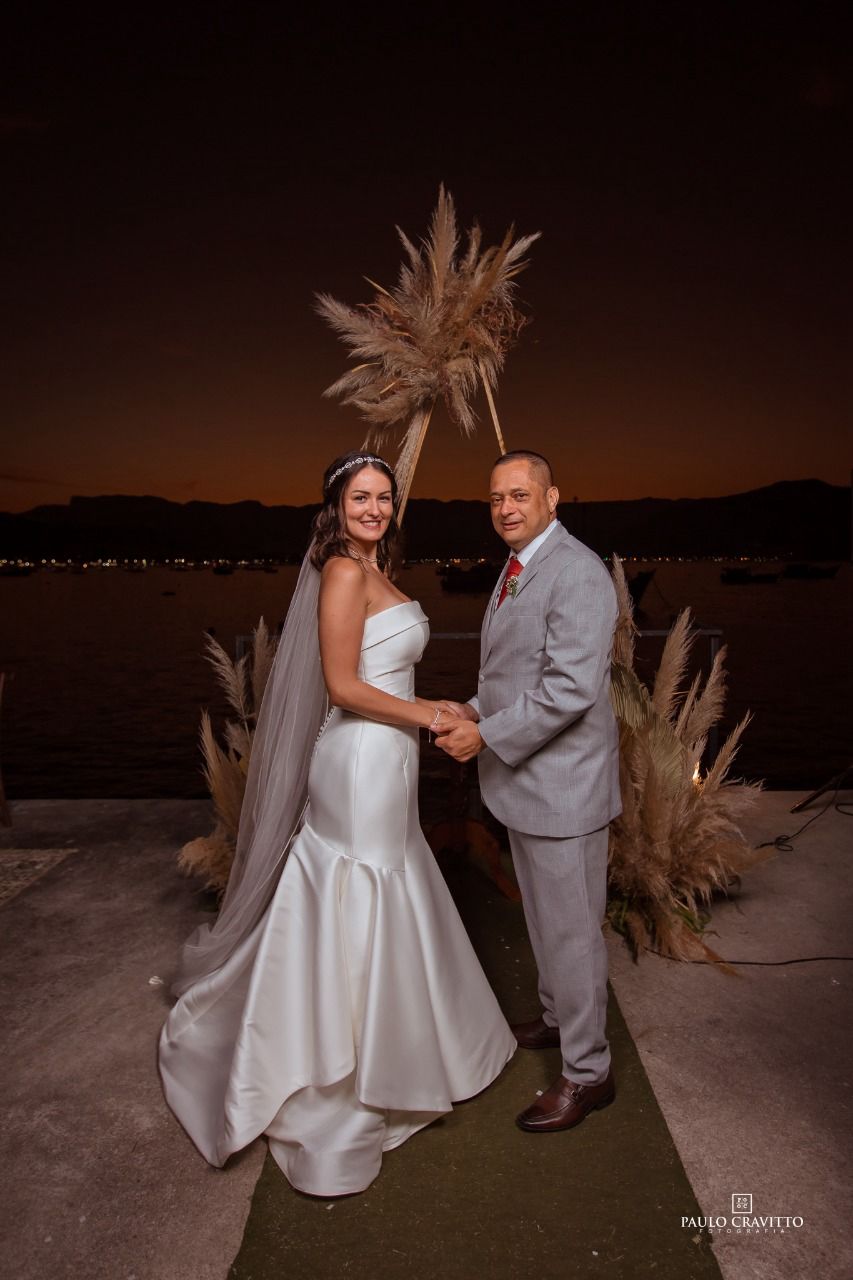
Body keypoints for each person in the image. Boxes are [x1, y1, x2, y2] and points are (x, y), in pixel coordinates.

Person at [158, 451, 515, 1197]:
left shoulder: (375, 568)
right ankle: (346, 1071)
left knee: (388, 879)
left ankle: (403, 1046)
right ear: (335, 507)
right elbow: (344, 686)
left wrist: (438, 706)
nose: (374, 508)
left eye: (384, 497)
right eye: (360, 497)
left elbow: (386, 671)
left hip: (387, 759)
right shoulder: (345, 572)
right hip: (358, 762)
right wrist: (428, 717)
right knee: (362, 887)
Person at [436, 450, 621, 1133]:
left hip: (565, 790)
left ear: (552, 498)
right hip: (529, 785)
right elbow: (513, 671)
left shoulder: (576, 572)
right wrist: (473, 708)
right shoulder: (519, 565)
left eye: (519, 495)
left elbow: (569, 689)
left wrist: (485, 736)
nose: (506, 508)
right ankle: (556, 1020)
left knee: (571, 935)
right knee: (544, 923)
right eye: (496, 498)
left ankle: (589, 1073)